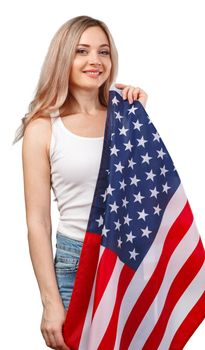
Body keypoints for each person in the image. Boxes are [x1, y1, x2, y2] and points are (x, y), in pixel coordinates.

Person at [13, 15, 148, 350]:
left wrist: (140, 117)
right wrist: (50, 303)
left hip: (127, 254)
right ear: (64, 58)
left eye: (104, 52)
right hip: (77, 261)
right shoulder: (43, 127)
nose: (95, 61)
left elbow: (141, 194)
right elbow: (38, 222)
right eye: (82, 51)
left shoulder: (126, 117)